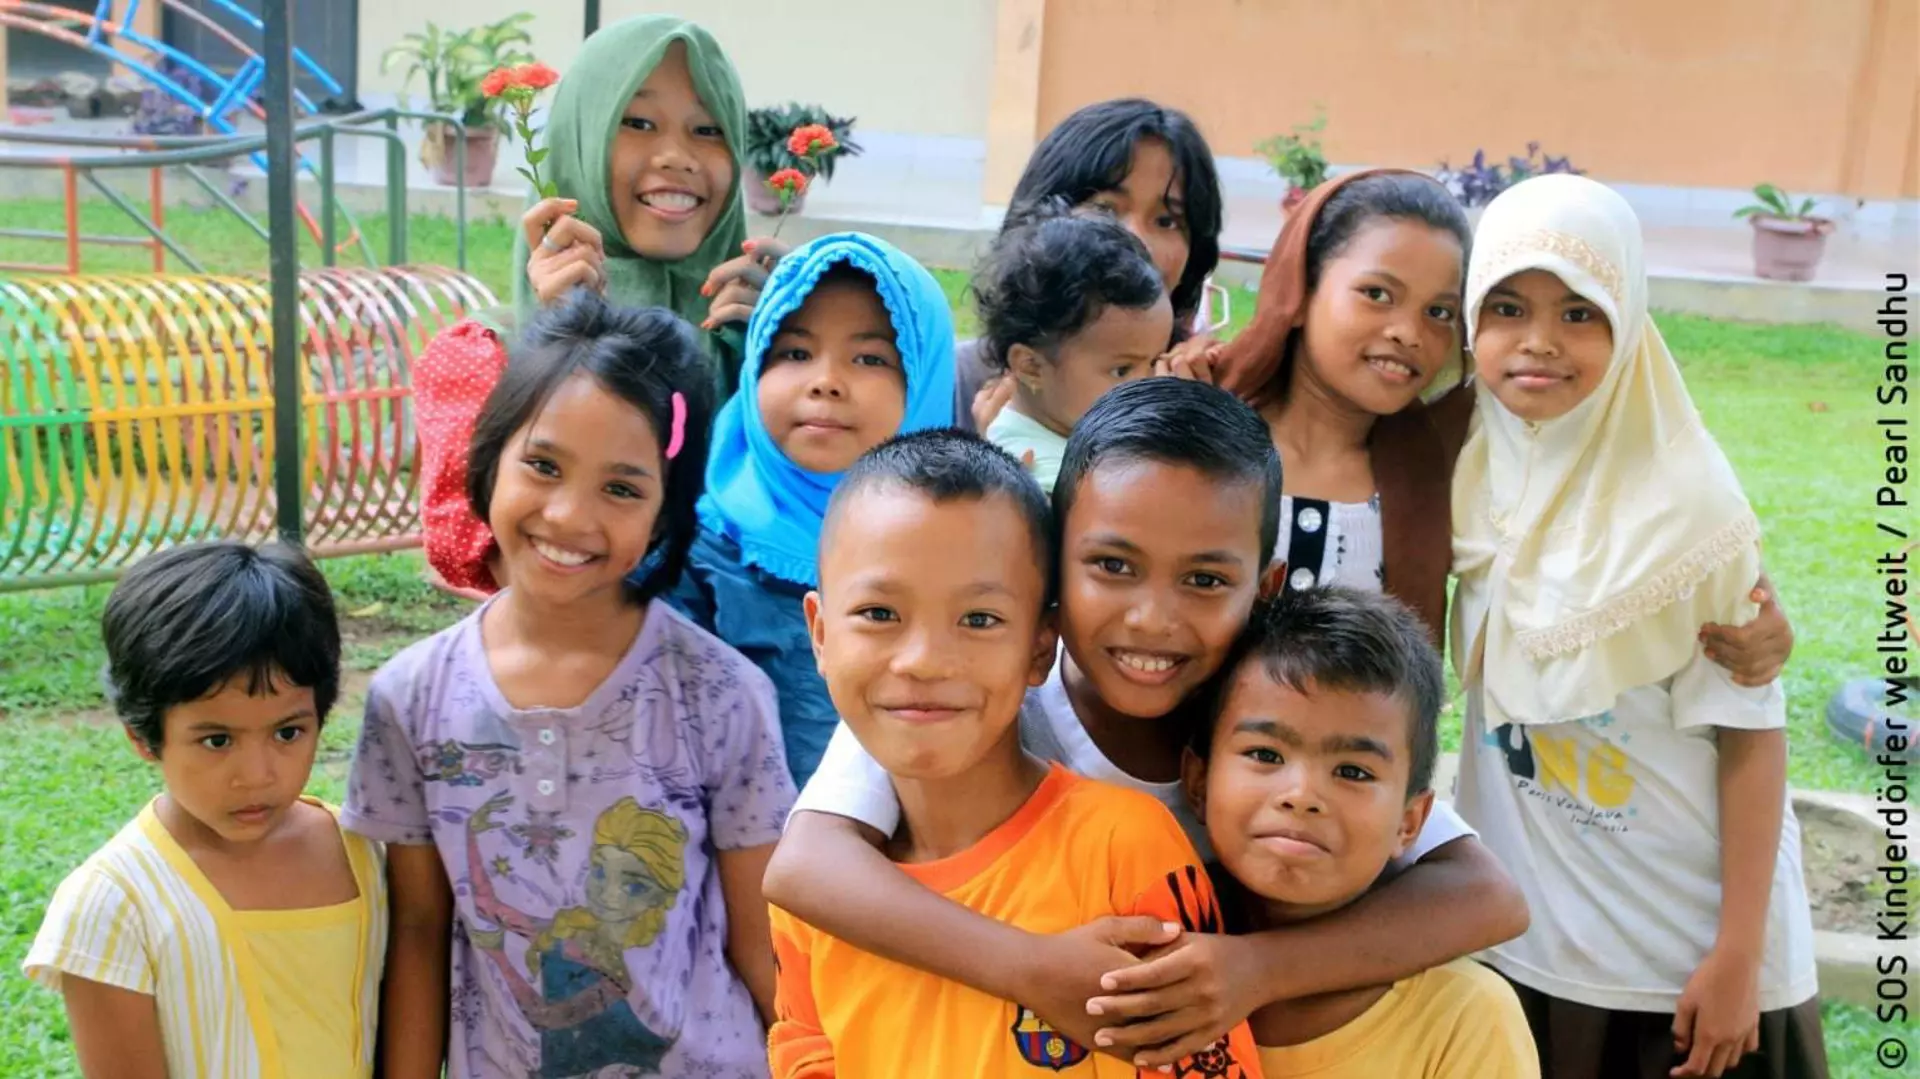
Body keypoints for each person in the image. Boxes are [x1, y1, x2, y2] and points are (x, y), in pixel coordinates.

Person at [766, 378, 1529, 1068]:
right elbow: (806, 869)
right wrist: (1033, 969)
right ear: (1052, 573)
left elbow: (1485, 894)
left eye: (1204, 579)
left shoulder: (1277, 713)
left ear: (1262, 588)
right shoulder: (974, 692)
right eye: (1113, 566)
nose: (1152, 618)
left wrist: (1254, 969)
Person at [346, 293, 794, 1078]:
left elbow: (761, 940)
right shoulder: (407, 699)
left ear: (664, 511)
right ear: (489, 459)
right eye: (544, 465)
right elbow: (420, 933)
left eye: (621, 487)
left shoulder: (723, 693)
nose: (567, 514)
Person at [1450, 174, 1826, 1079]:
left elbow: (1750, 739)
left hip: (1682, 966)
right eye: (1507, 306)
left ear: (1629, 318)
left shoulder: (1688, 509)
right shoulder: (1466, 461)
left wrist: (1740, 956)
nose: (1539, 341)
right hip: (1529, 942)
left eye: (1581, 312)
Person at [766, 429, 1261, 1077]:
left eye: (978, 619)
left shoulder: (1124, 850)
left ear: (1039, 646)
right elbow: (806, 1048)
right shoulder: (824, 897)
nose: (923, 661)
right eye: (880, 612)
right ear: (821, 633)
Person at [1201, 169, 1797, 679]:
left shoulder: (1448, 442)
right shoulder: (1198, 419)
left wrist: (1748, 588)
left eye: (1439, 311)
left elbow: (1611, 450)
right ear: (1299, 290)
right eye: (1378, 294)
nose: (1410, 331)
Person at [415, 14, 781, 595]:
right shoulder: (485, 356)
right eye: (637, 122)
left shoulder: (774, 347)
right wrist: (562, 343)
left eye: (708, 131)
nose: (677, 156)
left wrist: (788, 347)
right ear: (580, 137)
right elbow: (494, 566)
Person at [25, 541, 385, 1078]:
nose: (258, 774)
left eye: (288, 732)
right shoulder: (114, 904)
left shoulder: (368, 853)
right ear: (145, 737)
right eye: (217, 740)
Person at [1184, 588, 1537, 1078]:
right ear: (1198, 783)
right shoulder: (1157, 977)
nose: (1302, 794)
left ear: (1410, 822)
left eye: (1353, 772)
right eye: (1266, 755)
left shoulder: (1465, 1017)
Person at [667, 231, 956, 786]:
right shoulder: (703, 548)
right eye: (795, 353)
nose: (825, 382)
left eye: (869, 358)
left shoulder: (963, 547)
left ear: (924, 378)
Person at [959, 98, 1225, 431]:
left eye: (1166, 221)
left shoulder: (1215, 384)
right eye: (1105, 210)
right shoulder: (958, 380)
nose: (1136, 240)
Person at [971, 205, 1172, 489]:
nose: (1145, 389)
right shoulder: (1045, 478)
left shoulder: (1072, 439)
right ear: (1031, 367)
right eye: (1121, 370)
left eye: (1153, 363)